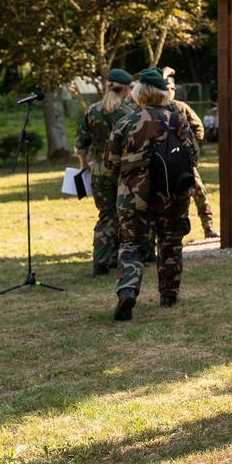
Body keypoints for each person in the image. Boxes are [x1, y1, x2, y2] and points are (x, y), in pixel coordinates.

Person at [106, 68, 198, 321]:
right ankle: (168, 294)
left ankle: (128, 291)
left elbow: (110, 165)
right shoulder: (177, 120)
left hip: (133, 195)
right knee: (170, 241)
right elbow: (193, 156)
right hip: (171, 192)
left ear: (138, 93)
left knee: (132, 243)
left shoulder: (125, 122)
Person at [76, 69, 136, 276]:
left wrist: (84, 166)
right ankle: (119, 258)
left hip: (99, 170)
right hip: (123, 170)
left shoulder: (92, 111)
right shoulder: (130, 113)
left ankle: (101, 260)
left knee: (106, 215)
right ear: (127, 89)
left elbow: (81, 144)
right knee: (124, 215)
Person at [162, 70, 217, 239]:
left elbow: (198, 127)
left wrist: (191, 144)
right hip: (163, 161)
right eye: (166, 89)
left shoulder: (181, 107)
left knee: (199, 192)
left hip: (183, 159)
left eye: (171, 89)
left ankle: (208, 227)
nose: (169, 92)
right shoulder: (155, 109)